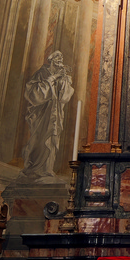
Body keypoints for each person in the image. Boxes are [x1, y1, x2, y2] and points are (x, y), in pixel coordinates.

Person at [22, 50, 74, 179]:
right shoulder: (41, 73)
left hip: (55, 114)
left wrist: (64, 81)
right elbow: (33, 94)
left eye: (61, 58)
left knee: (52, 139)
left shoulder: (61, 76)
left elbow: (64, 98)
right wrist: (52, 79)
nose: (60, 60)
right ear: (50, 60)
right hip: (41, 115)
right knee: (39, 140)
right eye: (57, 57)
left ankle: (47, 168)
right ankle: (33, 167)